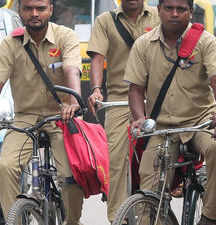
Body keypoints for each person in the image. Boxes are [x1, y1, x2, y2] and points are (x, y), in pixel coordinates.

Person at [124, 0, 216, 224]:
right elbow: (135, 89)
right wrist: (140, 118)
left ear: (190, 12)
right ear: (159, 10)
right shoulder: (144, 44)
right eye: (169, 8)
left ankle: (210, 214)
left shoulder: (206, 41)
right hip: (161, 126)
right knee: (148, 189)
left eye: (181, 9)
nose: (175, 14)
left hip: (200, 122)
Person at [0, 0, 84, 224]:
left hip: (62, 116)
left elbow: (71, 69)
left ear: (50, 10)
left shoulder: (65, 37)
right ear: (20, 11)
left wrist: (74, 100)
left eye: (40, 8)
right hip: (25, 119)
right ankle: (14, 220)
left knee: (71, 175)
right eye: (28, 9)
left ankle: (72, 221)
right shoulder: (10, 43)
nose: (34, 14)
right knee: (4, 166)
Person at [86, 0, 159, 222]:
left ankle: (153, 211)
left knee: (159, 156)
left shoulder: (159, 15)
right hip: (120, 99)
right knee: (115, 158)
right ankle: (118, 216)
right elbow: (97, 58)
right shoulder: (105, 21)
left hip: (156, 98)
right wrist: (97, 89)